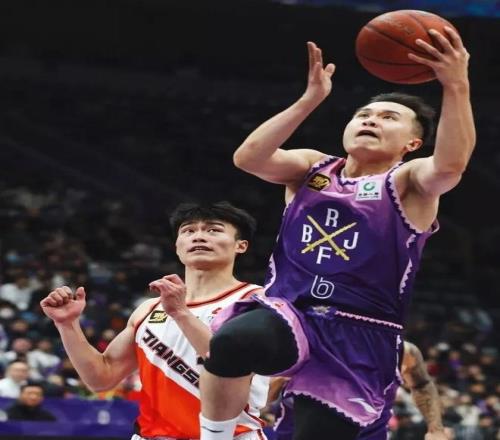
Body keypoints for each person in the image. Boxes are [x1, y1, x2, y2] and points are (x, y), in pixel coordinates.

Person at [199, 28, 475, 440]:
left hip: (360, 332)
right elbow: (249, 158)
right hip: (293, 312)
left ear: (412, 143)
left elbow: (450, 166)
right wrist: (309, 100)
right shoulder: (312, 167)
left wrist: (456, 85)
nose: (371, 119)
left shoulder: (409, 182)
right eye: (364, 114)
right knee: (234, 341)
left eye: (389, 117)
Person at [40, 201, 269, 440]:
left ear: (240, 245)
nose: (199, 236)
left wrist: (181, 314)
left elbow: (233, 366)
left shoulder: (256, 301)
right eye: (189, 230)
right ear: (177, 246)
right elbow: (101, 378)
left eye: (213, 229)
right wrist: (67, 324)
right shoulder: (149, 309)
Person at [269, 341, 449, 440]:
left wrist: (436, 429)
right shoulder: (309, 340)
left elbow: (423, 384)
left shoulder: (401, 350)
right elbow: (270, 388)